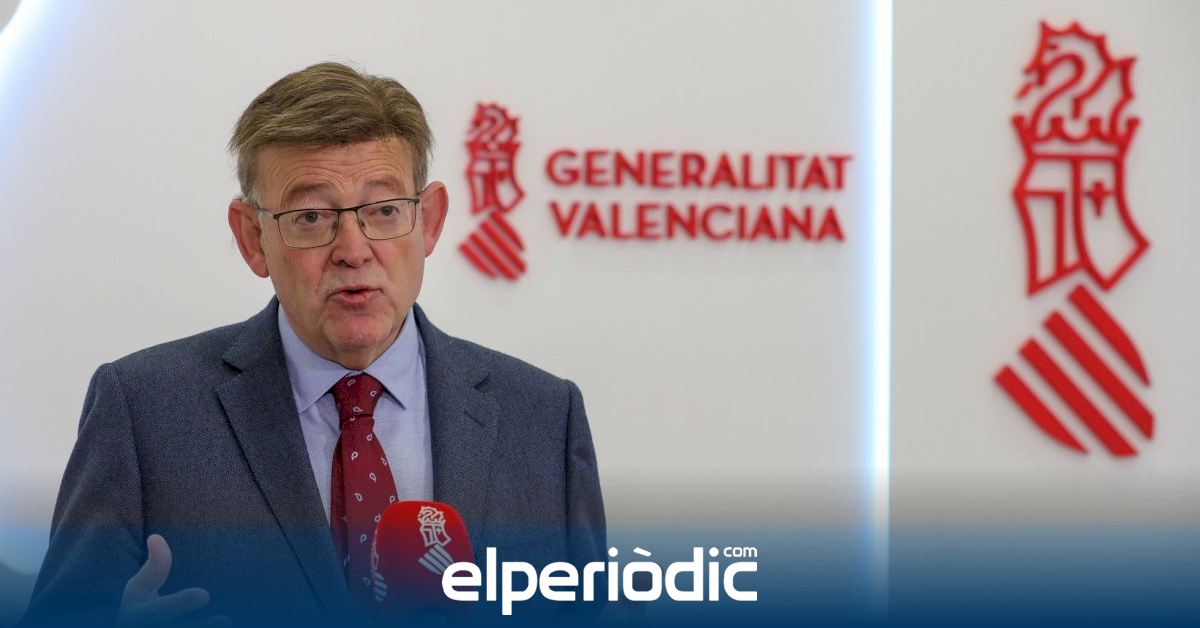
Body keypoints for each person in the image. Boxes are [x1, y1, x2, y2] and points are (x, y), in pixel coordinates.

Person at [22, 62, 605, 625]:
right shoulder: (145, 412)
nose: (353, 250)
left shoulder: (543, 418)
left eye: (384, 210)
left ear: (429, 220)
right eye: (310, 217)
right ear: (253, 238)